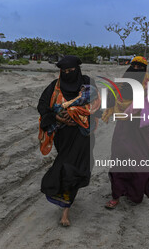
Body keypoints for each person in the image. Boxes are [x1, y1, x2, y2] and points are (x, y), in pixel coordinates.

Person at [37, 55, 100, 226]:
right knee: (65, 167)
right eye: (64, 71)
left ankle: (65, 212)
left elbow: (97, 106)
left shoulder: (87, 84)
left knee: (71, 168)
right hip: (63, 136)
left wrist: (77, 113)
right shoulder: (55, 87)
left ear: (78, 70)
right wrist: (59, 118)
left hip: (82, 134)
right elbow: (42, 106)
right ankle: (66, 198)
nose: (67, 74)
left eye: (70, 71)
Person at [102, 56, 149, 209]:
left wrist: (145, 99)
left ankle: (136, 193)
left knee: (140, 159)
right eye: (134, 66)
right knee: (119, 157)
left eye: (140, 67)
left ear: (145, 69)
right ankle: (116, 195)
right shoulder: (122, 82)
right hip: (123, 125)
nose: (137, 70)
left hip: (139, 127)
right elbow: (111, 98)